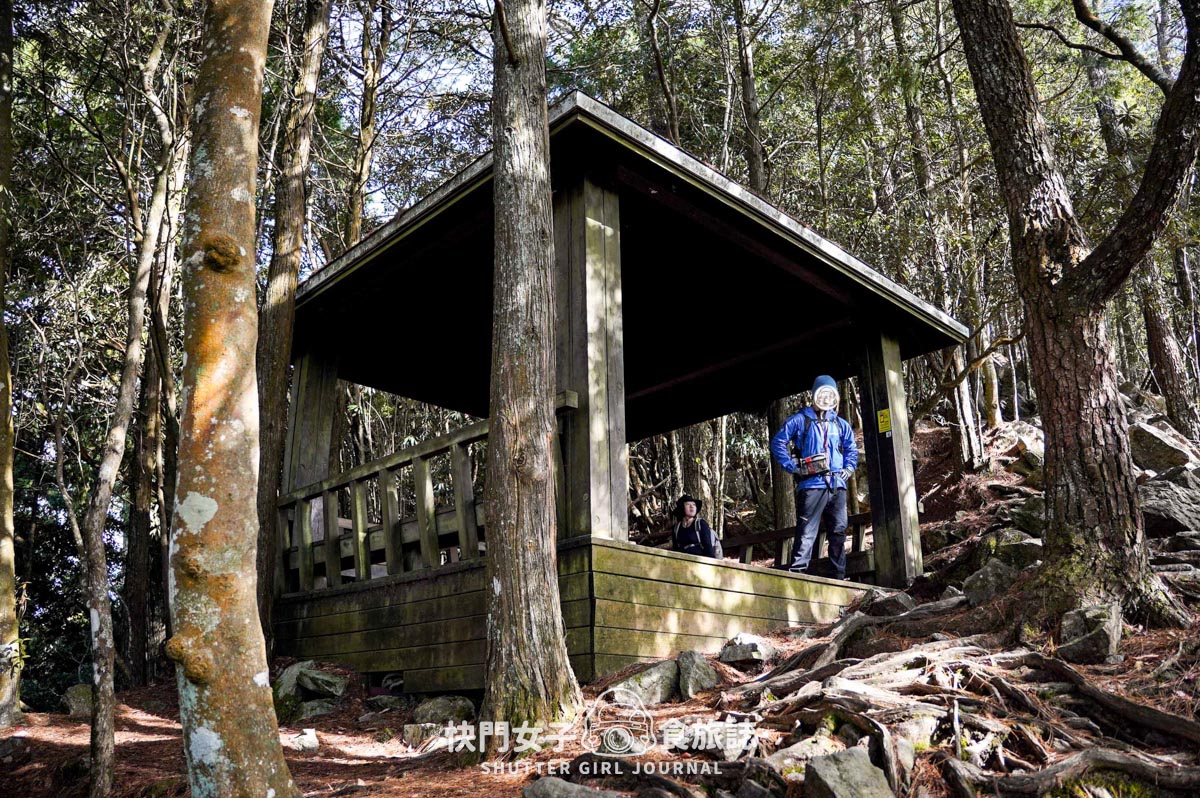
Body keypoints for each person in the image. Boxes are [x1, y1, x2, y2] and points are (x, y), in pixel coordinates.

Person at [770, 375, 858, 579]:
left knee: (838, 531)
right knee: (807, 531)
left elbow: (851, 448)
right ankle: (798, 574)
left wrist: (849, 468)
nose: (826, 399)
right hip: (812, 484)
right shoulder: (800, 420)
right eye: (822, 394)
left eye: (830, 395)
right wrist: (793, 467)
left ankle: (838, 575)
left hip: (837, 484)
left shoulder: (840, 423)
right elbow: (778, 442)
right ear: (814, 395)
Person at [670, 494, 723, 559]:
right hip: (682, 562)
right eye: (688, 504)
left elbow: (708, 547)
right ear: (682, 507)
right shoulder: (676, 528)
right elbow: (675, 549)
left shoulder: (701, 524)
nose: (692, 506)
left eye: (694, 505)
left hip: (700, 562)